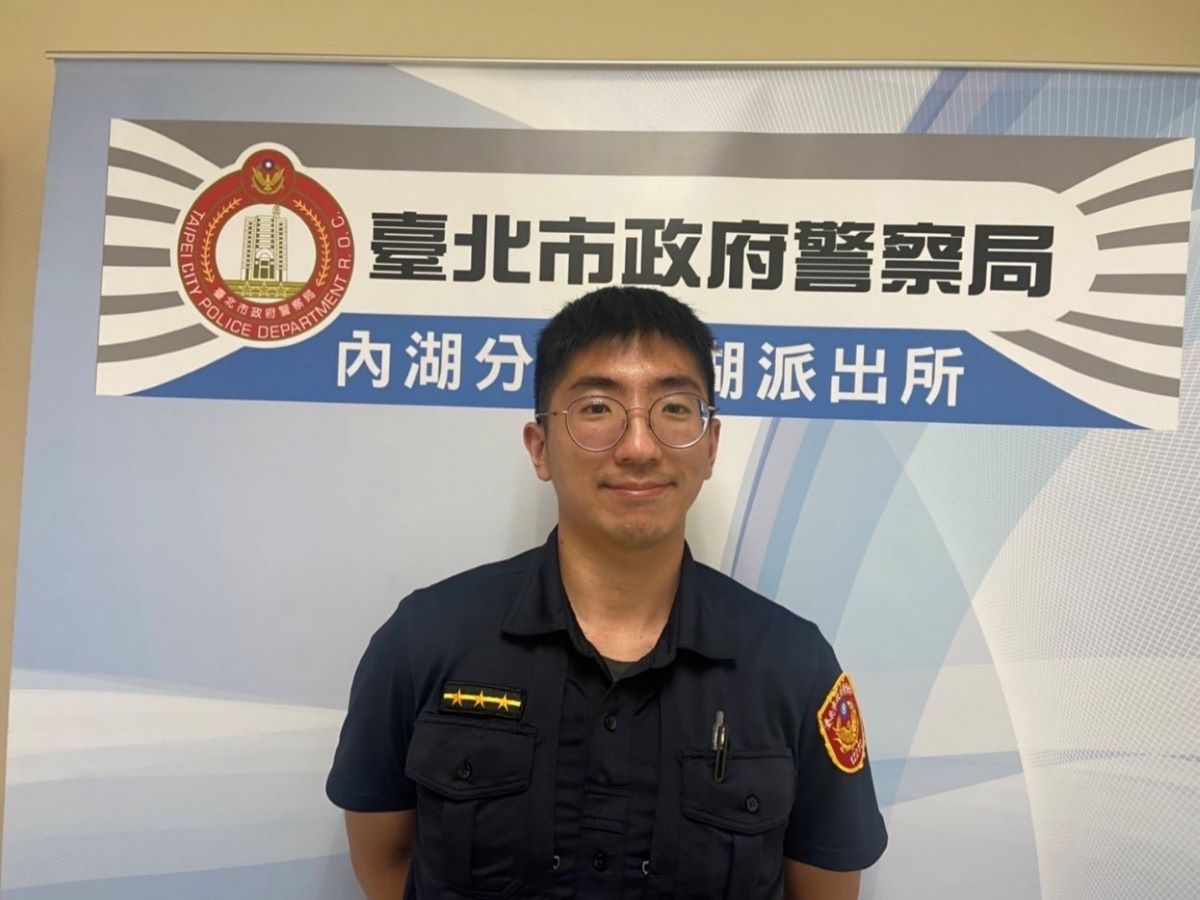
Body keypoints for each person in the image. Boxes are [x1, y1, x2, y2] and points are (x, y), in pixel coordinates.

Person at [327, 286, 887, 899]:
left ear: (710, 447)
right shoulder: (424, 640)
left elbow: (826, 888)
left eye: (674, 408)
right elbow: (386, 863)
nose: (639, 447)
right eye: (597, 408)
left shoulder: (794, 666)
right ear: (540, 447)